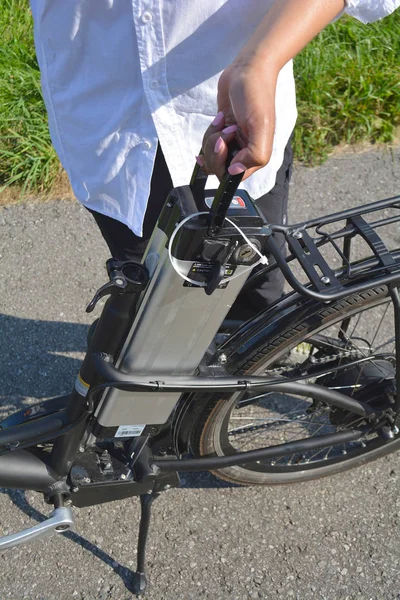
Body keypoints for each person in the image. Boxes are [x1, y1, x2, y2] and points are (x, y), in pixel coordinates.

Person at [29, 0, 399, 318]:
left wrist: (258, 63)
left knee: (256, 293)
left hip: (237, 107)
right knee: (150, 301)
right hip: (108, 119)